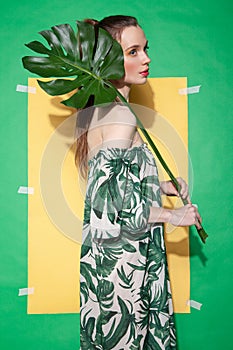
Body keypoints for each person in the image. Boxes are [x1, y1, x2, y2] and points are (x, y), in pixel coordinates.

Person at [76, 15, 201, 349]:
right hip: (126, 263)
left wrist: (162, 186)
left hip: (111, 260)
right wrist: (174, 216)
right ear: (108, 60)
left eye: (145, 49)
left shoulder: (107, 110)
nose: (146, 59)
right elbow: (114, 206)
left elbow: (114, 182)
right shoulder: (120, 117)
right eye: (133, 52)